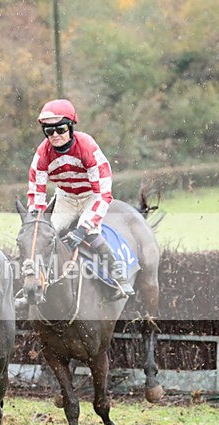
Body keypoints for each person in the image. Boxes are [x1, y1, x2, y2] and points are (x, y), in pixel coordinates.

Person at [27, 98, 134, 298]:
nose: (55, 135)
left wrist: (82, 229)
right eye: (49, 131)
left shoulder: (86, 146)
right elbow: (36, 192)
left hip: (91, 195)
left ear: (71, 127)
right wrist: (36, 217)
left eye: (60, 129)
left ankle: (120, 279)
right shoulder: (42, 153)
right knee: (45, 235)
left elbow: (103, 194)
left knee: (91, 232)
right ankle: (34, 287)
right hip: (65, 196)